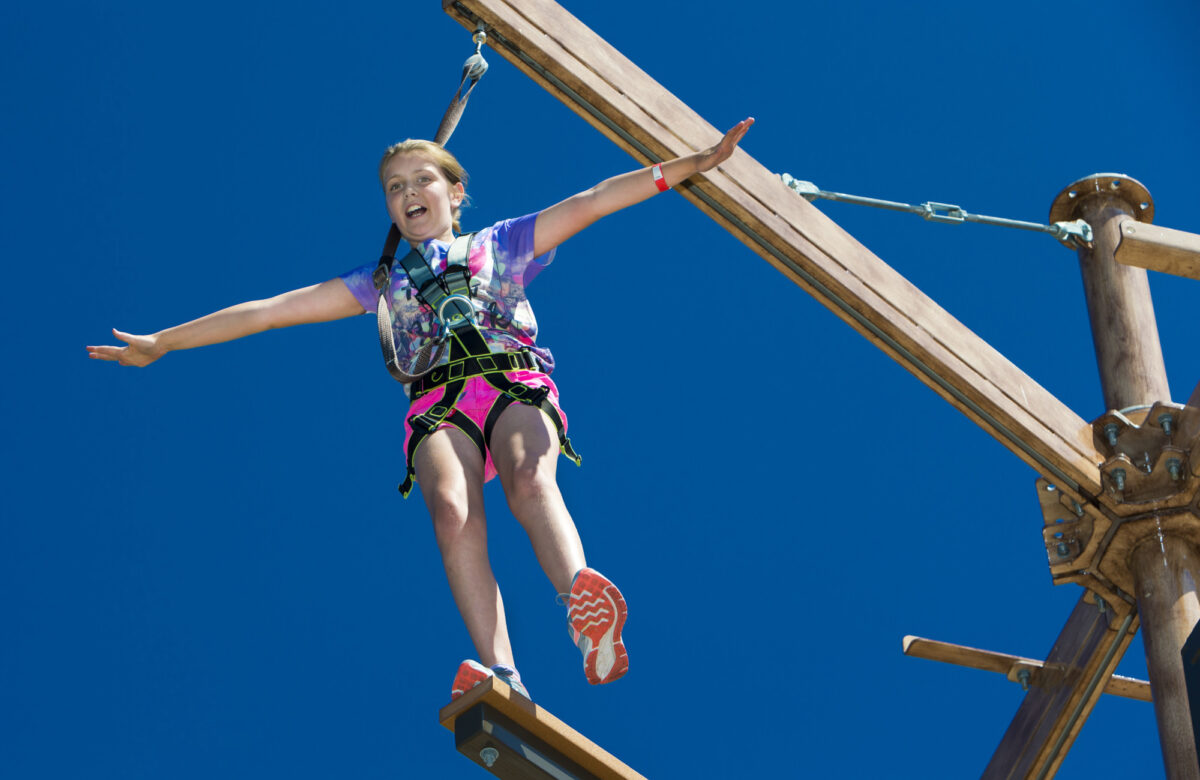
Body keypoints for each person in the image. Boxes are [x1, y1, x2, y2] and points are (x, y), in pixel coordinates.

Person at [87, 117, 755, 701]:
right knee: (451, 512)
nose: (407, 194)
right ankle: (504, 672)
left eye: (421, 180)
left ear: (455, 193)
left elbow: (593, 201)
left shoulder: (504, 242)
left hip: (511, 382)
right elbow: (269, 313)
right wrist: (164, 343)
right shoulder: (381, 285)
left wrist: (692, 166)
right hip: (439, 404)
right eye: (394, 188)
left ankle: (582, 604)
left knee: (528, 478)